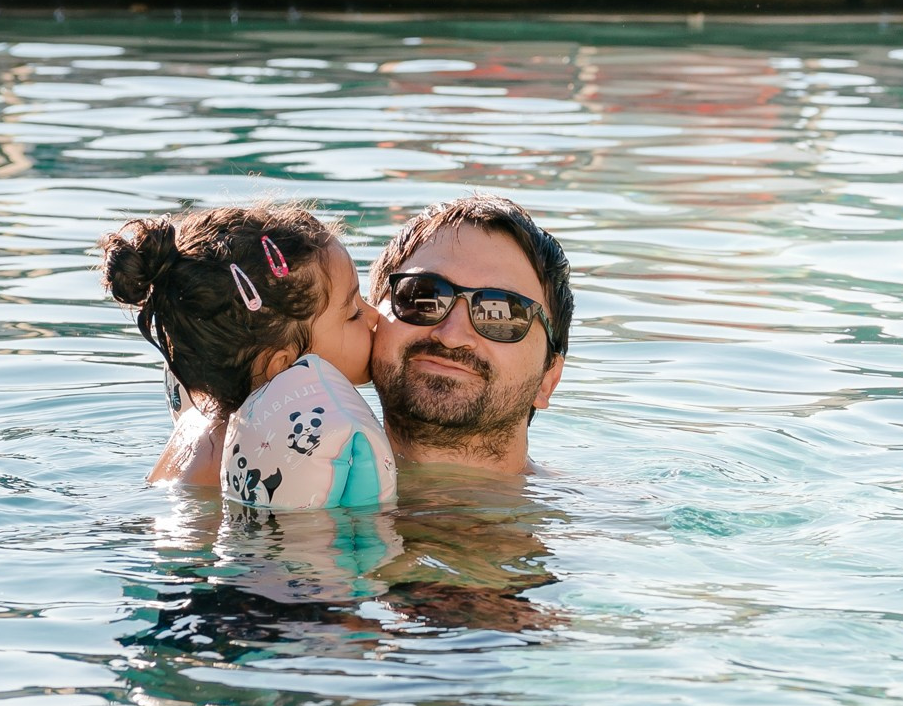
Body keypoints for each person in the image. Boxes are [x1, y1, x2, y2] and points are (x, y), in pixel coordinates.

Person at [98, 202, 393, 508]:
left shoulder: (200, 427)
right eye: (353, 313)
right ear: (281, 367)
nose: (374, 317)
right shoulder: (280, 452)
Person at [367, 195, 573, 478]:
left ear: (547, 379)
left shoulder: (612, 518)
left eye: (500, 313)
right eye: (423, 295)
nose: (452, 336)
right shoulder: (288, 467)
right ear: (368, 320)